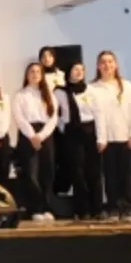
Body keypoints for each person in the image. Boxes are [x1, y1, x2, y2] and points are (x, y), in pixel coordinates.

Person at [93, 51, 131, 221]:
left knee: (127, 173)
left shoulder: (127, 86)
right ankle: (113, 208)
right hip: (106, 140)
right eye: (103, 62)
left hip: (125, 137)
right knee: (110, 175)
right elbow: (96, 115)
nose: (107, 65)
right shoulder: (93, 88)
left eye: (110, 61)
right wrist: (101, 138)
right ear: (98, 66)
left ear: (116, 65)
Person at [55, 63, 102, 220]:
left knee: (93, 171)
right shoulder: (60, 92)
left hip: (90, 131)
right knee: (77, 171)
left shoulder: (91, 90)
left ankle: (97, 209)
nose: (79, 72)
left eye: (82, 70)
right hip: (72, 133)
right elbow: (55, 114)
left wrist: (101, 137)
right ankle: (82, 210)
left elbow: (99, 113)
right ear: (68, 72)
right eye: (76, 69)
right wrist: (63, 127)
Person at [13, 63, 58, 222]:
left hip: (46, 134)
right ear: (27, 75)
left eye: (38, 71)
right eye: (31, 71)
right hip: (28, 135)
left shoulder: (49, 94)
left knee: (47, 172)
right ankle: (35, 208)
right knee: (31, 173)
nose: (35, 74)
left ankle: (47, 207)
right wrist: (32, 135)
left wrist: (42, 135)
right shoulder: (20, 95)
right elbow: (19, 118)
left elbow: (53, 118)